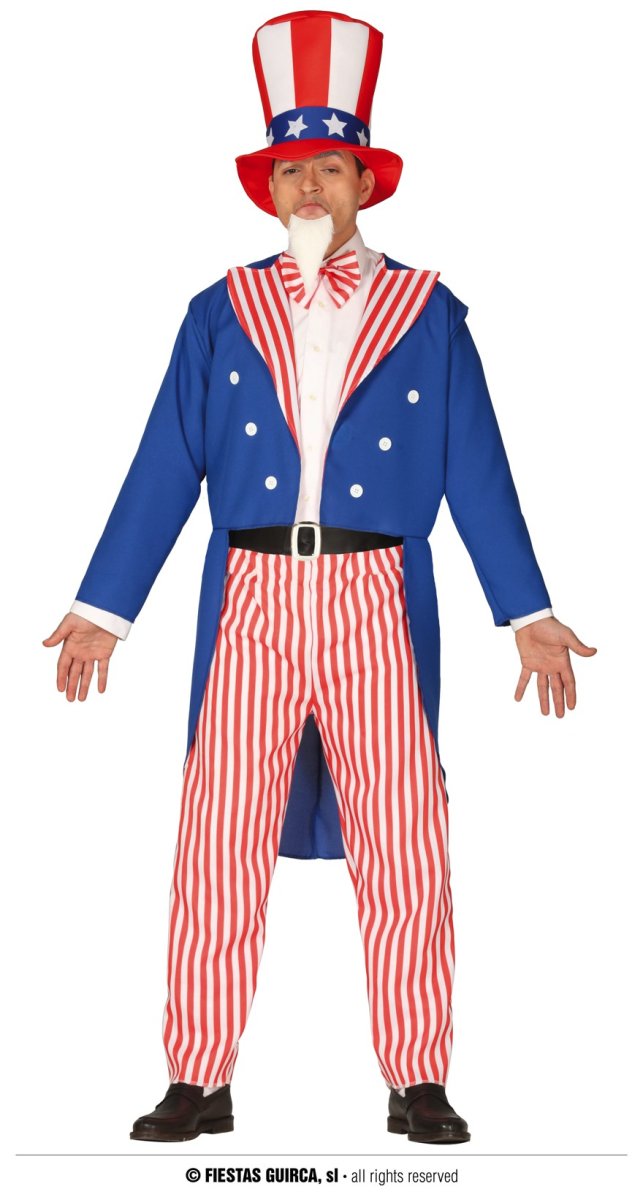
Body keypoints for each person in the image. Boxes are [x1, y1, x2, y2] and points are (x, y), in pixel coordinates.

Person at [43, 10, 596, 1145]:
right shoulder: (218, 310)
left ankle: (417, 1077)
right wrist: (106, 607)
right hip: (248, 591)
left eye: (330, 167)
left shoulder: (427, 312)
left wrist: (525, 611)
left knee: (404, 833)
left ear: (363, 183)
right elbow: (166, 461)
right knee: (218, 831)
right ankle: (198, 1076)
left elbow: (476, 464)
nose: (309, 185)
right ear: (268, 187)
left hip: (375, 592)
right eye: (291, 168)